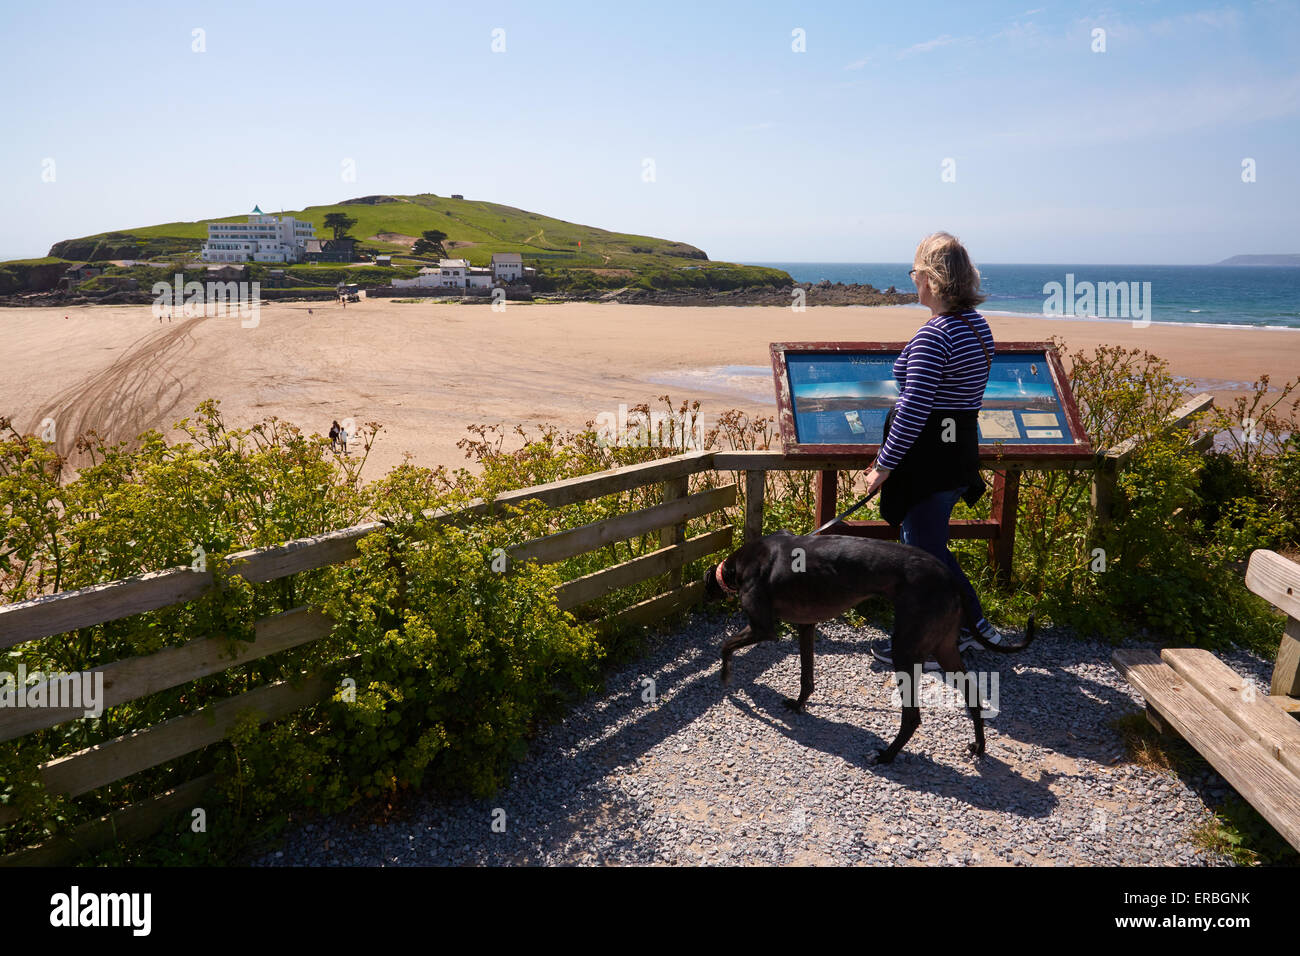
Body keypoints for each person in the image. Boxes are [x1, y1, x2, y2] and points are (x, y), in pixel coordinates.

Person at [864, 232, 1005, 669]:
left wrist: (883, 466)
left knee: (921, 558)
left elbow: (914, 408)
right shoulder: (975, 326)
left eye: (914, 273)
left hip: (926, 461)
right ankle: (973, 627)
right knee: (931, 549)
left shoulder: (935, 334)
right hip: (955, 451)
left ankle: (930, 643)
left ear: (929, 277)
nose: (913, 282)